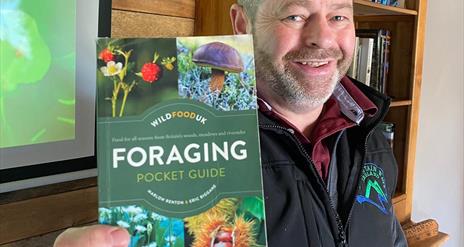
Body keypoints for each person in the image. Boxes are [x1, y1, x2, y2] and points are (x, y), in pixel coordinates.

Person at [55, 0, 407, 246]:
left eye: (339, 17)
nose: (324, 38)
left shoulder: (368, 127)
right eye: (295, 15)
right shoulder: (188, 141)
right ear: (242, 24)